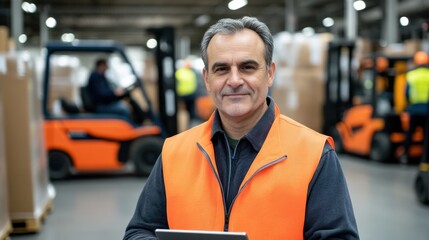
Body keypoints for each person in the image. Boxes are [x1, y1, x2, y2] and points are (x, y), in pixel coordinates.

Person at [123, 16, 359, 240]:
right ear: (207, 79)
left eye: (247, 67)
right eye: (221, 69)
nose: (234, 81)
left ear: (270, 73)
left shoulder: (315, 154)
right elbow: (139, 231)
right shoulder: (174, 152)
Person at [401, 51, 429, 163]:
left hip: (414, 110)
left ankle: (405, 155)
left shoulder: (411, 75)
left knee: (410, 134)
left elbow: (406, 93)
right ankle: (424, 158)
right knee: (426, 136)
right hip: (427, 110)